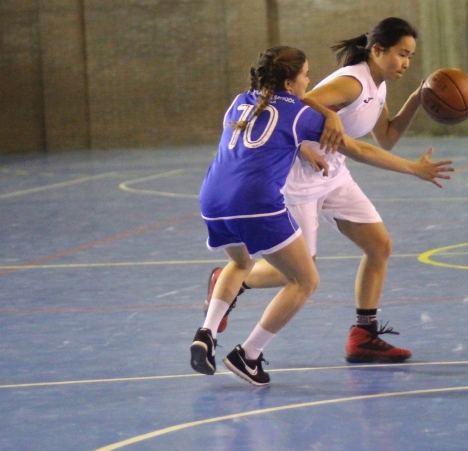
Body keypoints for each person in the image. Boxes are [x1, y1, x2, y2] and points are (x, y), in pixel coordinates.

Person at [190, 45, 451, 386]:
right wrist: (412, 168)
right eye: (306, 76)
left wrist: (309, 132)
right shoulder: (301, 113)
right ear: (289, 83)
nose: (309, 82)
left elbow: (274, 127)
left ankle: (206, 333)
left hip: (211, 198)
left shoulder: (240, 101)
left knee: (240, 264)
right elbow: (358, 148)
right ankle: (248, 355)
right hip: (256, 201)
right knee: (305, 280)